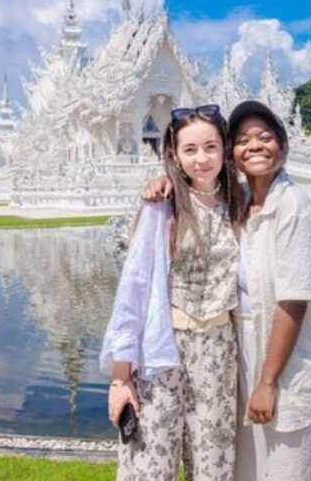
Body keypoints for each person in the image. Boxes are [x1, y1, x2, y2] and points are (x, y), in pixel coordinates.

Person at [144, 101, 311, 481]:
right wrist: (165, 182)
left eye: (265, 137)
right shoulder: (238, 200)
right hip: (238, 359)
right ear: (233, 154)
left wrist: (268, 382)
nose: (255, 146)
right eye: (243, 140)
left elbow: (293, 302)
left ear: (284, 145)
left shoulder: (293, 206)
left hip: (282, 368)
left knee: (285, 468)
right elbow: (196, 186)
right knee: (244, 469)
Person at [101, 104, 243, 481]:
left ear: (225, 149)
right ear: (175, 156)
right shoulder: (163, 207)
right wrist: (120, 378)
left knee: (213, 464)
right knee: (151, 463)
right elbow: (132, 292)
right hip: (162, 352)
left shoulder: (240, 205)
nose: (202, 158)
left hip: (218, 349)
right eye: (190, 149)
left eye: (211, 147)